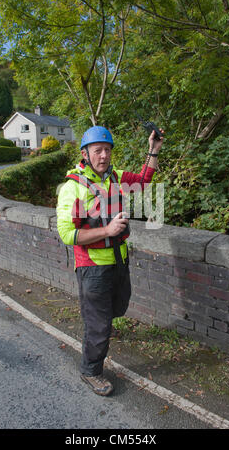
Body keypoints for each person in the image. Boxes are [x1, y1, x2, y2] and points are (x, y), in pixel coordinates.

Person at [56, 125, 164, 396]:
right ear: (85, 153)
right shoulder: (73, 188)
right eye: (97, 151)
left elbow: (143, 181)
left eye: (107, 150)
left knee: (118, 307)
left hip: (118, 261)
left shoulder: (115, 177)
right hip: (92, 268)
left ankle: (99, 332)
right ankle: (91, 371)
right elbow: (67, 234)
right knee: (99, 324)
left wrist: (154, 150)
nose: (103, 155)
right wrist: (107, 230)